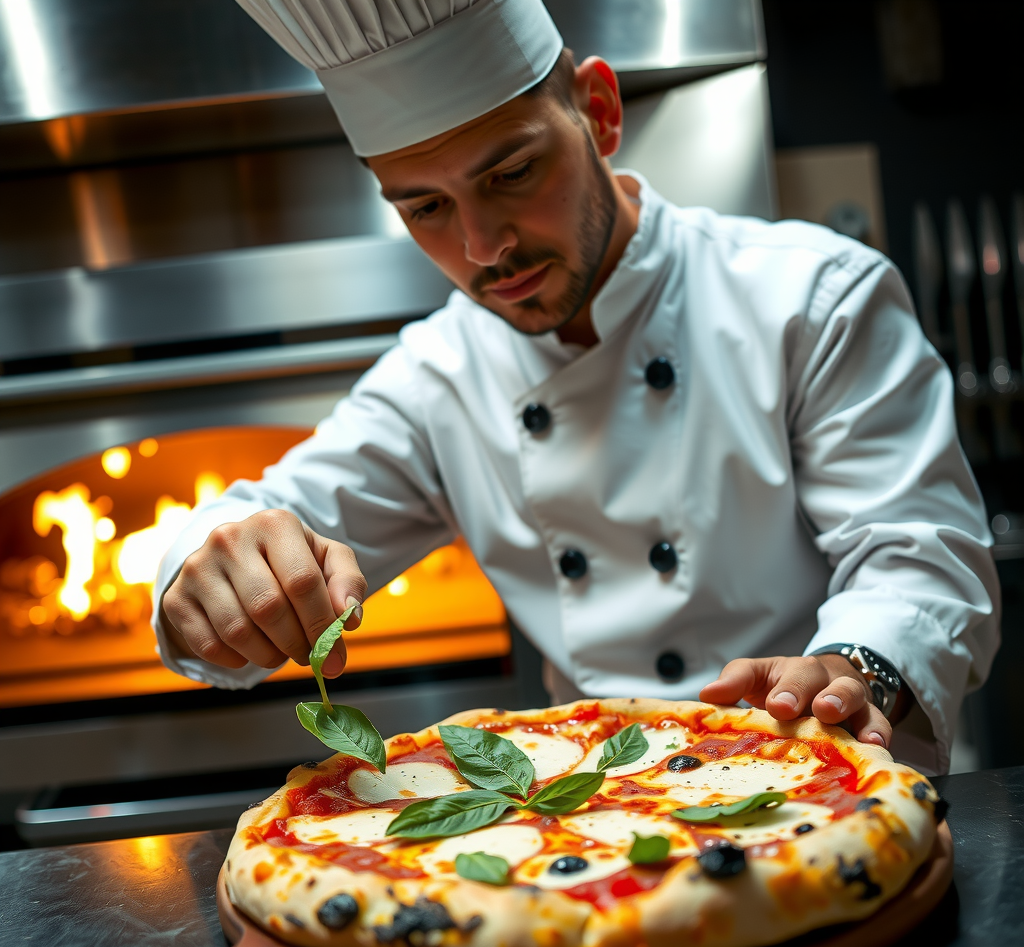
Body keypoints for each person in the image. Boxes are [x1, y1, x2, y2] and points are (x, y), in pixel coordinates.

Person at [155, 0, 998, 776]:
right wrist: (212, 567)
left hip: (819, 773)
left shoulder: (812, 296)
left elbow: (920, 557)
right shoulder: (435, 377)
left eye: (511, 173)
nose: (483, 247)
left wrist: (853, 667)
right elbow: (249, 520)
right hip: (591, 823)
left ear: (598, 111)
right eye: (425, 209)